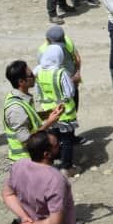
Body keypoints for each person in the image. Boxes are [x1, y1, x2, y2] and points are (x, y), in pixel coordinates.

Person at [4, 60, 64, 163]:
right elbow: (27, 140)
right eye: (30, 75)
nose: (34, 76)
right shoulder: (15, 109)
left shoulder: (21, 97)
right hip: (25, 160)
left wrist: (49, 113)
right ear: (21, 82)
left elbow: (30, 118)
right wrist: (49, 122)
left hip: (32, 156)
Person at [35, 45, 79, 176]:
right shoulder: (61, 72)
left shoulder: (38, 71)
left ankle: (51, 163)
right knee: (67, 140)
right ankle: (67, 167)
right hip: (64, 113)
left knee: (52, 139)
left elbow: (38, 92)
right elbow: (70, 92)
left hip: (49, 113)